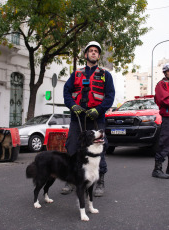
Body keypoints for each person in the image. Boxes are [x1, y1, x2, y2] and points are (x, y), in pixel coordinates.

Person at [63, 41, 115, 196]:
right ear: (86, 55)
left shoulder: (106, 75)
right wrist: (72, 106)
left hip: (96, 119)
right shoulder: (76, 74)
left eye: (96, 51)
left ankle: (100, 181)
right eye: (90, 51)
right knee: (72, 147)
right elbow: (66, 92)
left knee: (99, 149)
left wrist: (98, 110)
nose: (93, 53)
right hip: (77, 118)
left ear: (98, 56)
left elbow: (110, 96)